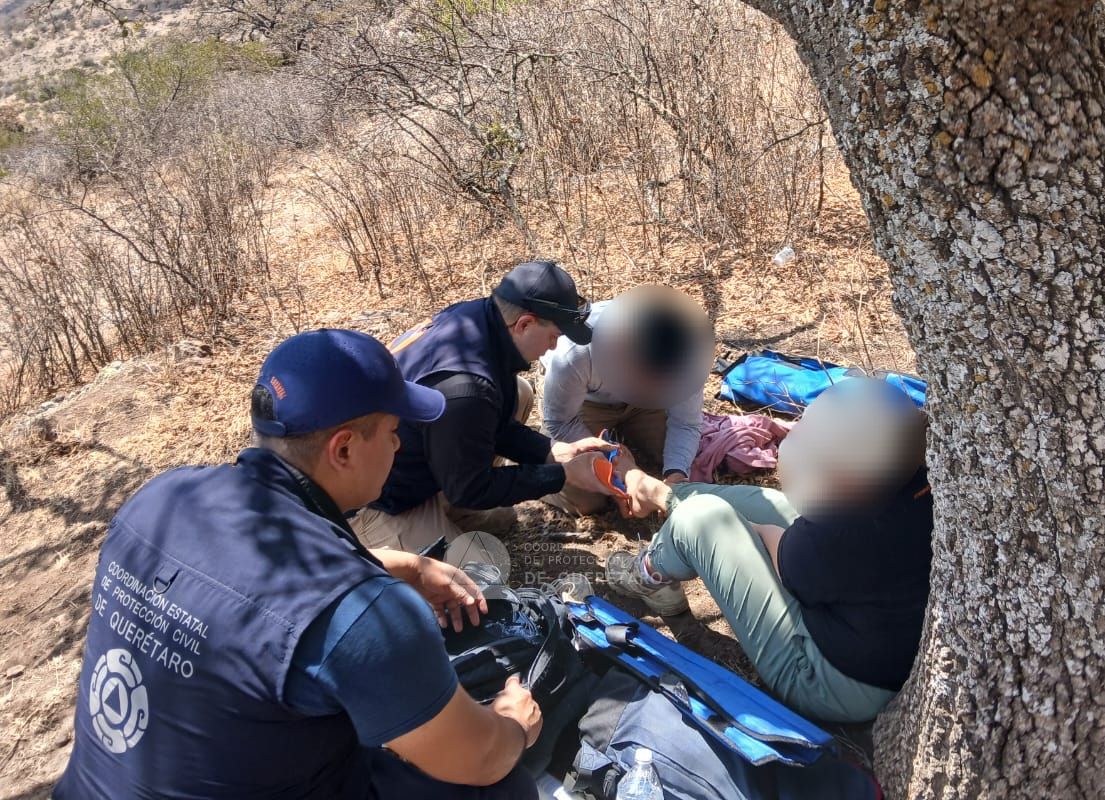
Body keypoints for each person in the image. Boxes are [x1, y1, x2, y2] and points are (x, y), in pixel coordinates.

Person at [55, 330, 543, 799]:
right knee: (504, 786)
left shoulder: (161, 499)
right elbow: (479, 758)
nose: (399, 446)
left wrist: (406, 568)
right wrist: (513, 728)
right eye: (395, 432)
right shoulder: (367, 614)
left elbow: (245, 592)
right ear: (345, 448)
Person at [605, 377, 932, 723]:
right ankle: (657, 493)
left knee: (702, 518)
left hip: (828, 683)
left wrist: (753, 530)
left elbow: (786, 556)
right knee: (770, 502)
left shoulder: (847, 528)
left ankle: (646, 572)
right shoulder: (913, 483)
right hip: (860, 630)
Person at [351, 260, 618, 553]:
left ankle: (450, 509)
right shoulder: (466, 389)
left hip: (422, 458)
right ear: (525, 324)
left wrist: (551, 451)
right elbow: (471, 487)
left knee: (519, 391)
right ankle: (384, 537)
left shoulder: (477, 317)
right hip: (377, 501)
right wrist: (562, 476)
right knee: (481, 575)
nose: (554, 347)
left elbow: (493, 423)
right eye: (554, 336)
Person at [540, 285, 714, 516]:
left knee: (685, 456)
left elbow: (685, 423)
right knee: (588, 499)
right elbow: (561, 422)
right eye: (645, 375)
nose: (649, 384)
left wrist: (676, 478)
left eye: (661, 379)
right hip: (585, 404)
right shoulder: (575, 352)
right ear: (620, 349)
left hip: (646, 406)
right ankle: (534, 472)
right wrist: (623, 472)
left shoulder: (689, 353)